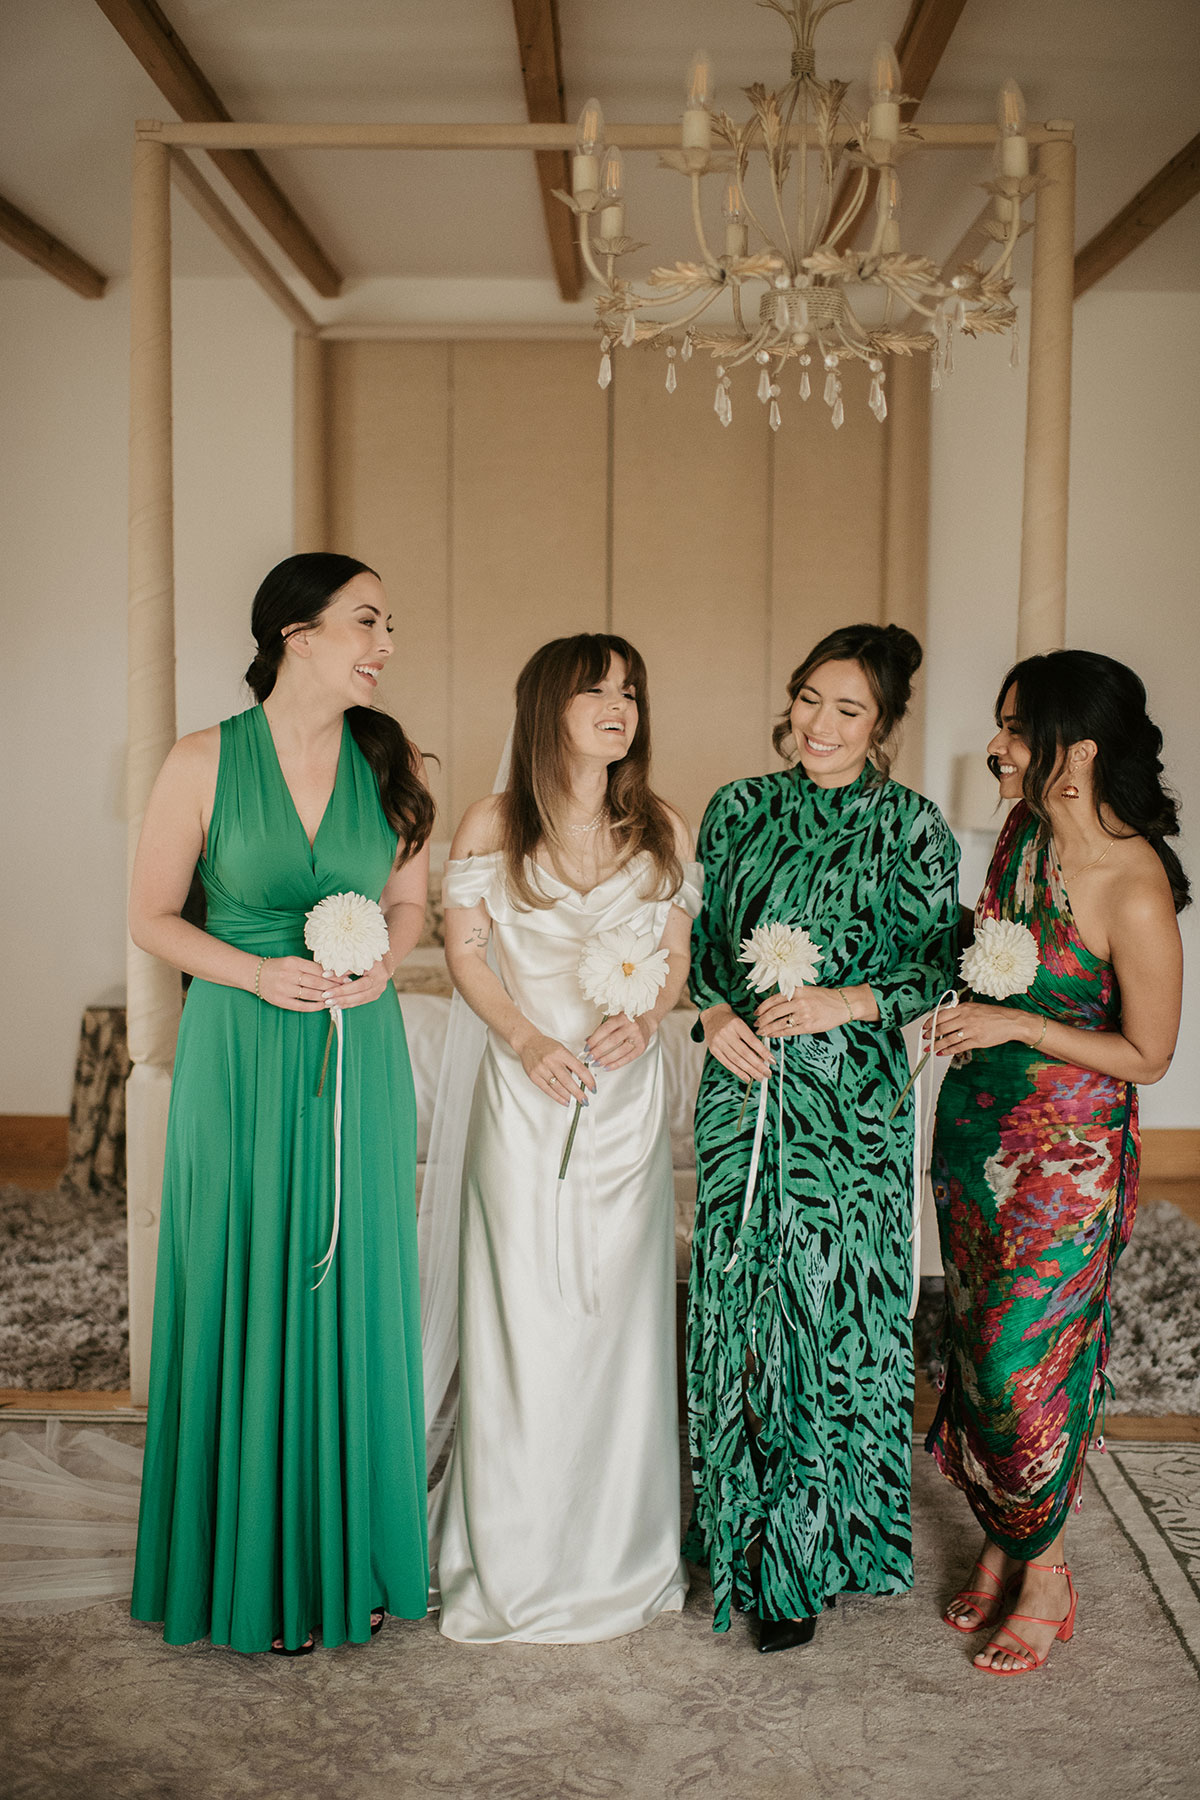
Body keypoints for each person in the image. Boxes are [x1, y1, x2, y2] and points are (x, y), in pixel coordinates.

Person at [129, 552, 433, 1654]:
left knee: (350, 1291)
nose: (385, 644)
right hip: (241, 1051)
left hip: (357, 1055)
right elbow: (152, 917)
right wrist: (255, 973)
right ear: (296, 634)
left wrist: (387, 962)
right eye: (367, 622)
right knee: (243, 1278)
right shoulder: (203, 759)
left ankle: (344, 1555)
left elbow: (409, 902)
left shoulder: (385, 759)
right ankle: (245, 1567)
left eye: (388, 624)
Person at [686, 623, 960, 1652]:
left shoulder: (916, 829)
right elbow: (699, 948)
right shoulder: (738, 809)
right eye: (809, 698)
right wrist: (713, 1018)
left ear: (883, 724)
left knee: (829, 1316)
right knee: (743, 1310)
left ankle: (810, 1550)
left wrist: (849, 998)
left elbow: (934, 966)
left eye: (847, 709)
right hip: (741, 1094)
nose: (820, 724)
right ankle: (741, 1534)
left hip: (852, 1113)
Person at [432, 634, 700, 1643]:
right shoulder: (494, 823)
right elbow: (463, 949)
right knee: (524, 1321)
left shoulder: (661, 824)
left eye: (630, 690)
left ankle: (626, 1557)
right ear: (548, 704)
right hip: (525, 1095)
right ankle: (509, 1562)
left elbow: (674, 956)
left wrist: (652, 1014)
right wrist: (527, 1038)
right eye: (596, 689)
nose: (618, 706)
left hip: (625, 1105)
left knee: (622, 1326)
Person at [928, 649, 1186, 1675]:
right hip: (972, 1135)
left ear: (1076, 750)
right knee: (974, 1346)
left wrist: (1013, 1022)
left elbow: (1149, 1055)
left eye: (1016, 731)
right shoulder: (1021, 840)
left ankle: (1048, 1572)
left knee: (1021, 1363)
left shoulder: (1135, 881)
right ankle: (1006, 1534)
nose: (996, 748)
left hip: (1065, 1162)